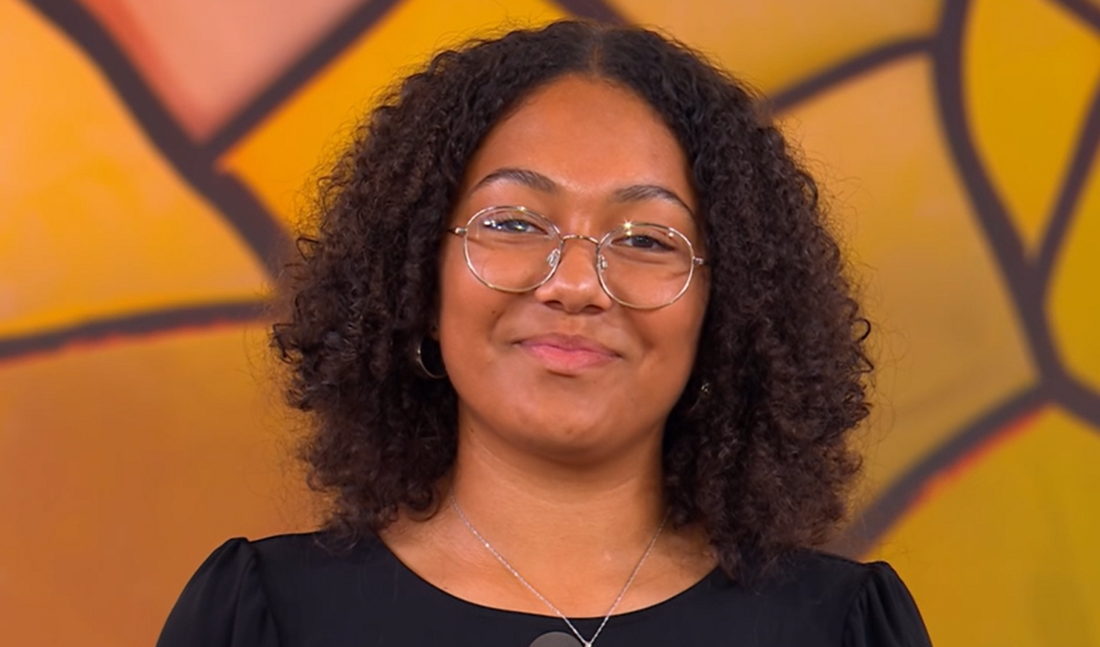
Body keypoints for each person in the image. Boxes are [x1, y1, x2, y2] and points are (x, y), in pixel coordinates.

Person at [158, 19, 931, 647]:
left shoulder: (839, 627)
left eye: (647, 239)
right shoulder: (265, 617)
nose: (574, 284)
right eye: (514, 222)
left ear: (723, 311)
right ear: (421, 273)